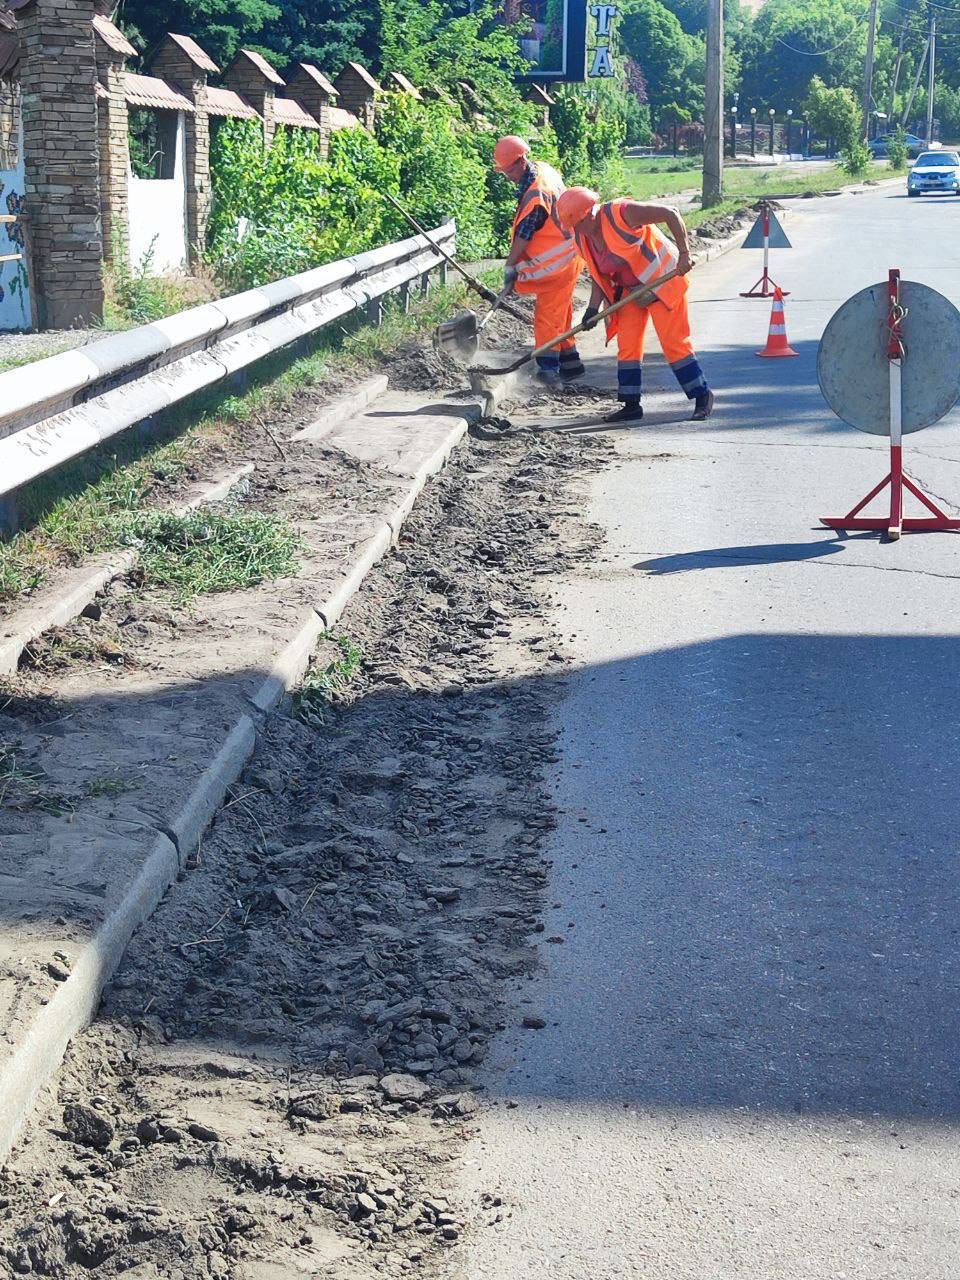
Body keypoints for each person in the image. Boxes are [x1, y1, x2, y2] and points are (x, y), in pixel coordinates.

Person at [555, 186, 714, 423]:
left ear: (588, 214)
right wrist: (591, 310)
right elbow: (599, 276)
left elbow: (670, 213)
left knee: (673, 343)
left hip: (662, 281)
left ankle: (702, 395)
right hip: (631, 291)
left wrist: (684, 253)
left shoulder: (621, 213)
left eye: (577, 224)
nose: (575, 230)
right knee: (628, 345)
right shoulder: (582, 237)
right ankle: (631, 405)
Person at [493, 135, 585, 384]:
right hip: (570, 253)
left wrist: (510, 266)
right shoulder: (543, 170)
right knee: (560, 312)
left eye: (508, 170)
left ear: (521, 160)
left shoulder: (537, 194)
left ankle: (548, 370)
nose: (506, 176)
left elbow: (525, 235)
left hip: (557, 263)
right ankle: (570, 362)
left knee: (547, 315)